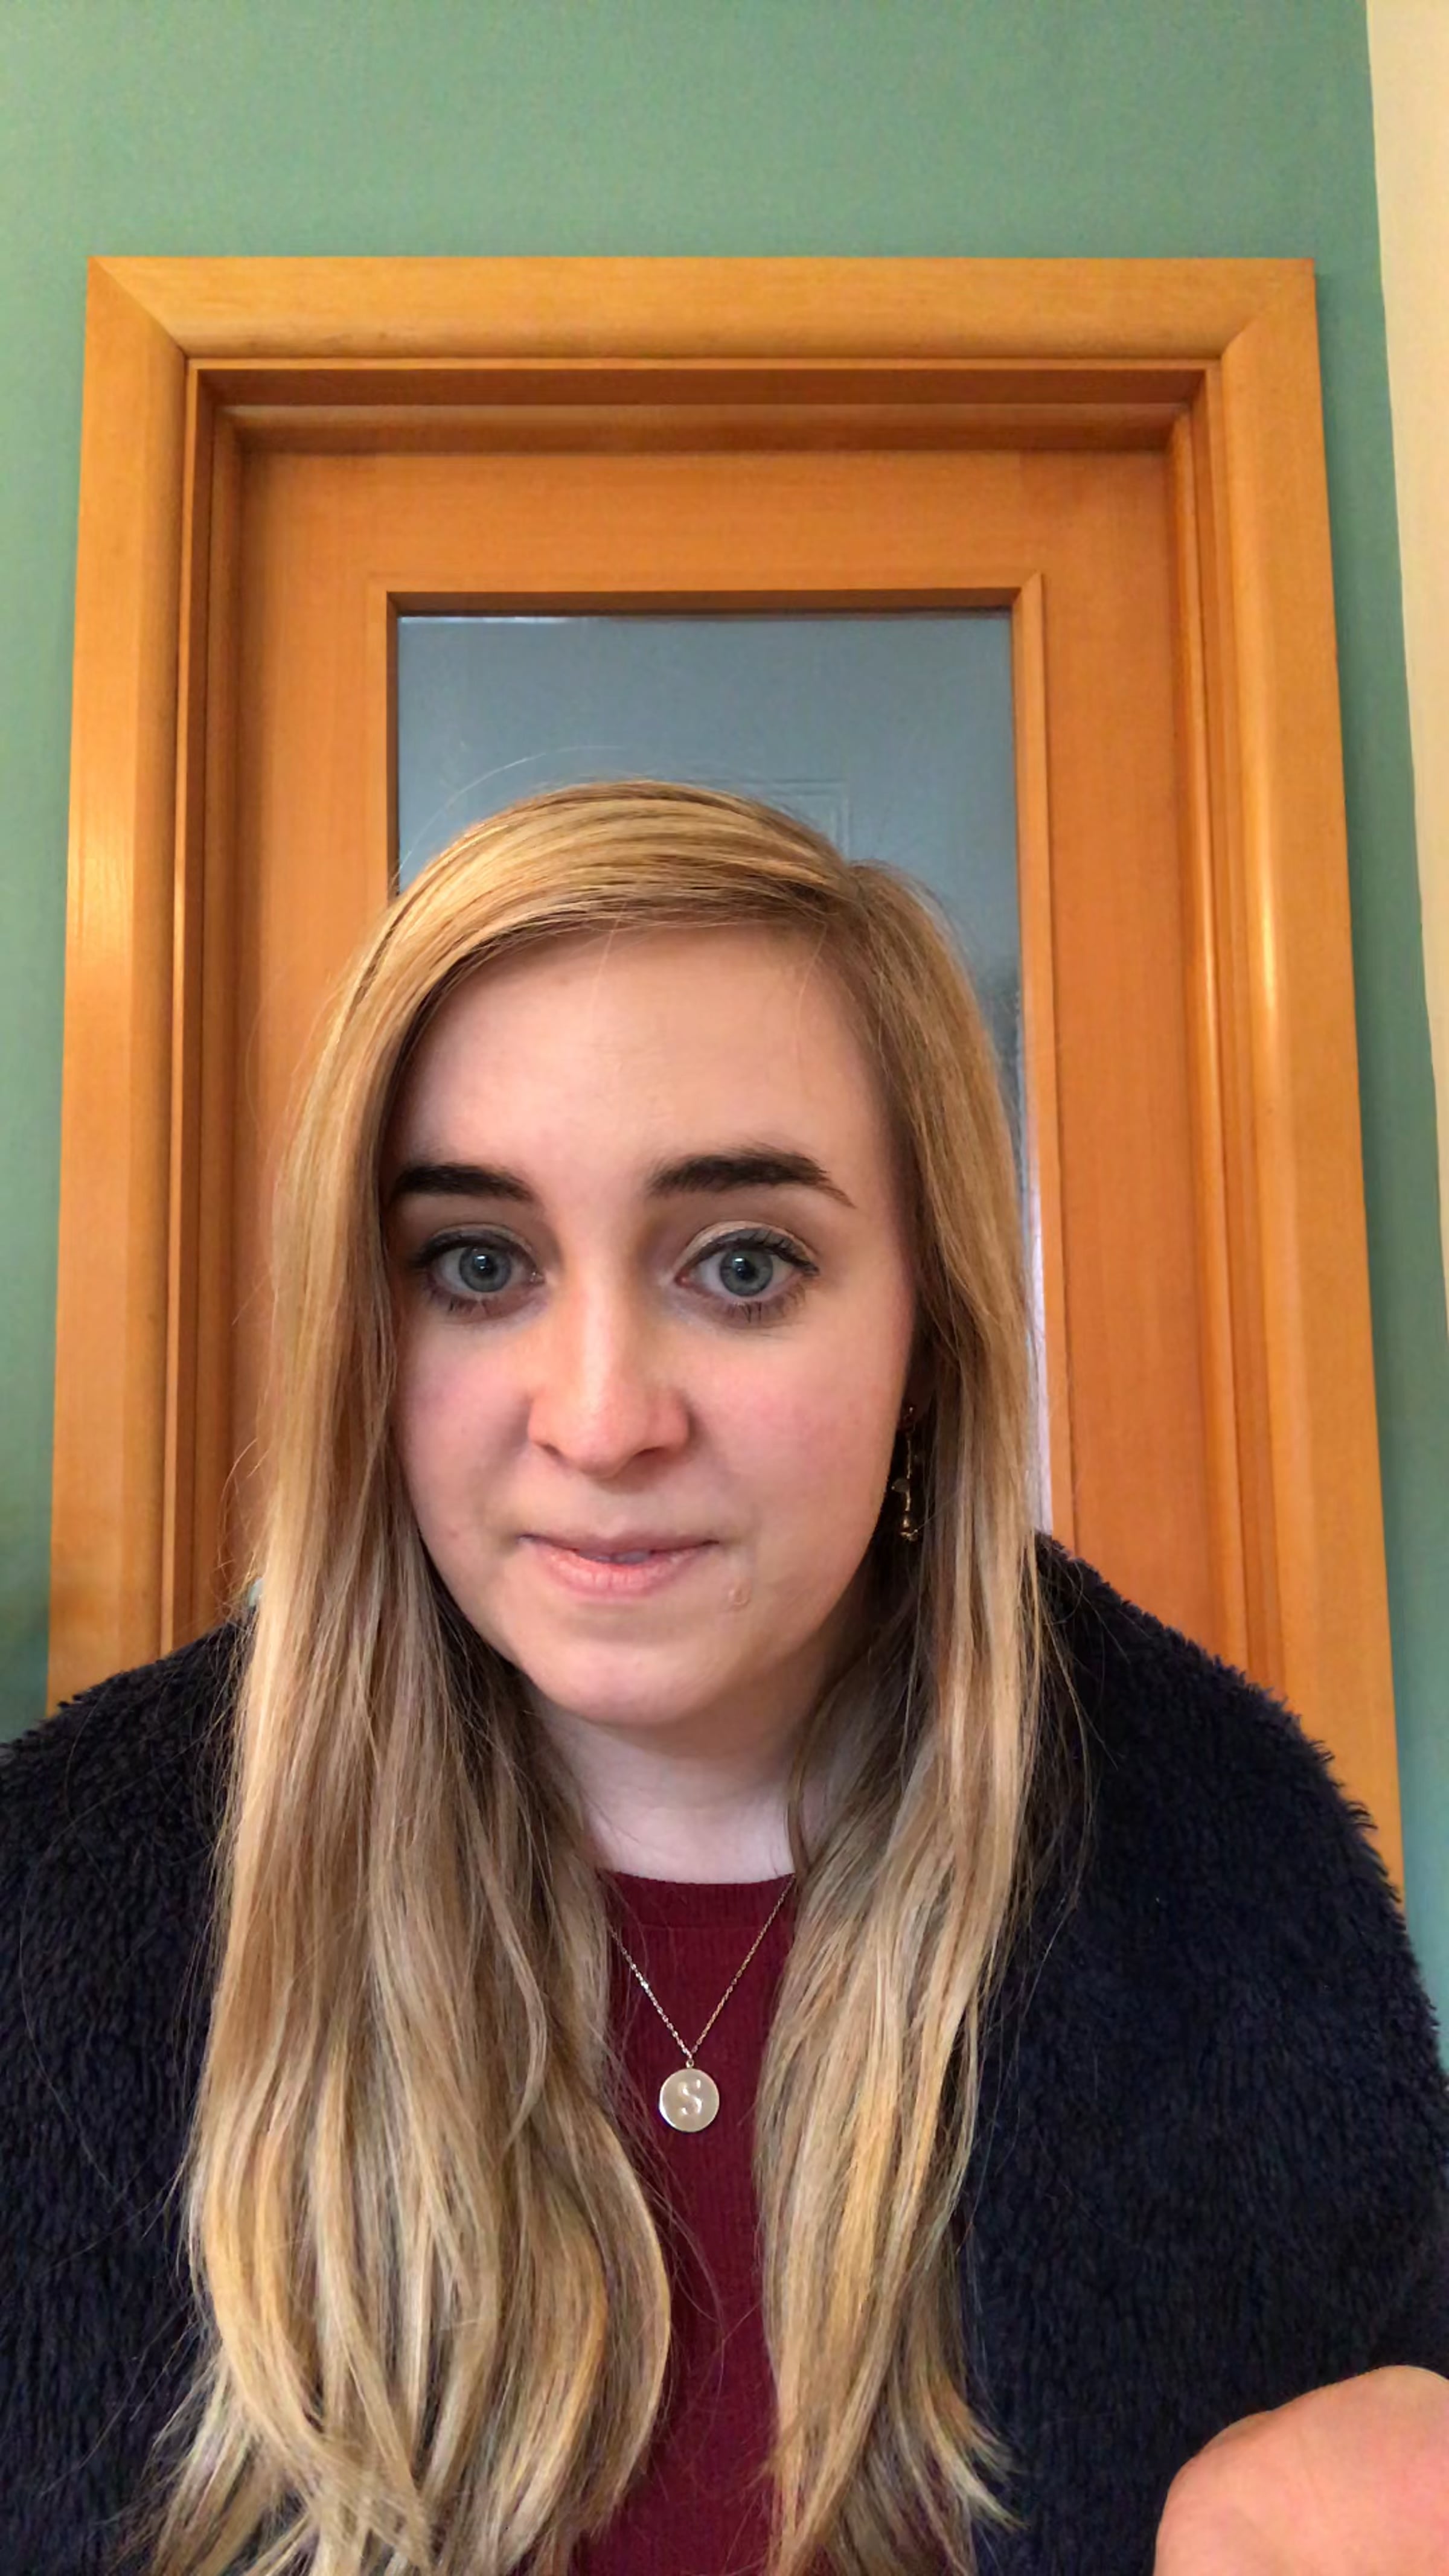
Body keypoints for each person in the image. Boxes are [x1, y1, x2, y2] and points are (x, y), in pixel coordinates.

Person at [1, 781, 1445, 2576]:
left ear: (930, 1330)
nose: (604, 1419)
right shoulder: (67, 1923)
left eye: (743, 1266)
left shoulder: (1236, 1905)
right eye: (477, 1264)